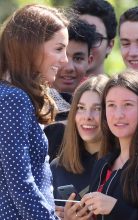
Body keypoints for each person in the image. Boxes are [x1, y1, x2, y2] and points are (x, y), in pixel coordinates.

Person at [64, 70, 138, 219]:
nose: (118, 114)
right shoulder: (103, 163)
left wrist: (116, 208)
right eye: (111, 105)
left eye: (128, 105)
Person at [0, 4, 68, 219]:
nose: (64, 59)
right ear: (30, 47)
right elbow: (20, 182)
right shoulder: (13, 98)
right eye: (58, 49)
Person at [51, 75, 108, 219]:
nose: (87, 116)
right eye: (81, 108)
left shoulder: (123, 165)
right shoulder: (57, 168)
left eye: (98, 108)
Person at [45, 18, 98, 161]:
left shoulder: (105, 106)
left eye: (78, 58)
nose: (69, 67)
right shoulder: (29, 104)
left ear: (90, 60)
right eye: (61, 55)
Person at [72, 0, 117, 76]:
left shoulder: (116, 88)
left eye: (94, 38)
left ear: (110, 46)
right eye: (79, 35)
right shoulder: (51, 85)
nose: (85, 47)